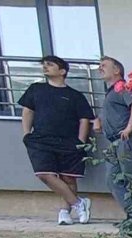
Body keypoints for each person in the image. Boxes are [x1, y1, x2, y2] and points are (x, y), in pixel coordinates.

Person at [19, 55, 94, 225]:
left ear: (62, 71)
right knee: (45, 174)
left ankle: (65, 212)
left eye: (50, 65)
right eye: (44, 65)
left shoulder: (74, 95)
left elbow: (84, 118)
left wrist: (80, 141)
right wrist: (26, 133)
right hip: (40, 139)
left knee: (68, 178)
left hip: (68, 141)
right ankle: (79, 203)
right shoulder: (36, 89)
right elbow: (27, 111)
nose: (45, 67)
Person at [94, 56, 132, 221]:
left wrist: (130, 127)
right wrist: (99, 121)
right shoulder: (110, 92)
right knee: (112, 179)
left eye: (104, 65)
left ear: (116, 70)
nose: (100, 68)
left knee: (131, 179)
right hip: (112, 142)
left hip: (127, 140)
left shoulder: (123, 87)